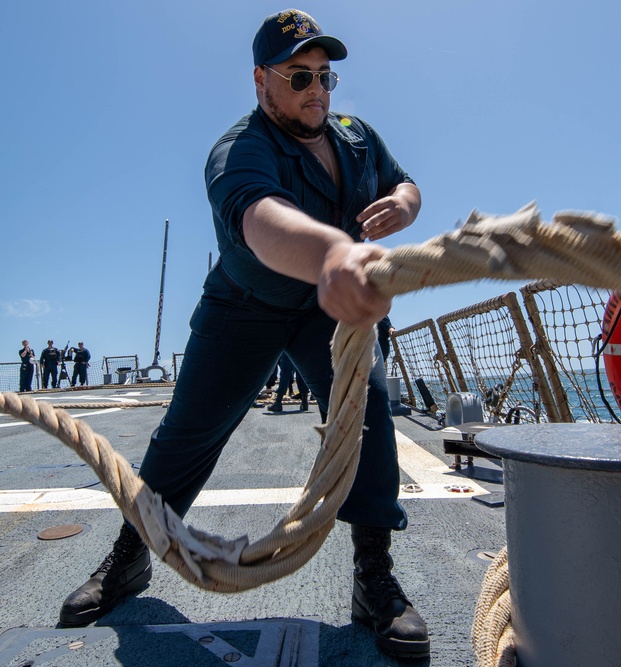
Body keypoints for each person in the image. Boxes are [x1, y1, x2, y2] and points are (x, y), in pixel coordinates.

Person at [58, 9, 429, 659]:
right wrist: (335, 255)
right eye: (299, 76)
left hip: (327, 310)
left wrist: (403, 203)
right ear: (261, 81)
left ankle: (373, 575)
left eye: (326, 75)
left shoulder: (356, 135)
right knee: (188, 431)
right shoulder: (240, 148)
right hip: (247, 304)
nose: (317, 89)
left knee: (367, 413)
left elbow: (406, 182)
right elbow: (260, 219)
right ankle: (129, 557)